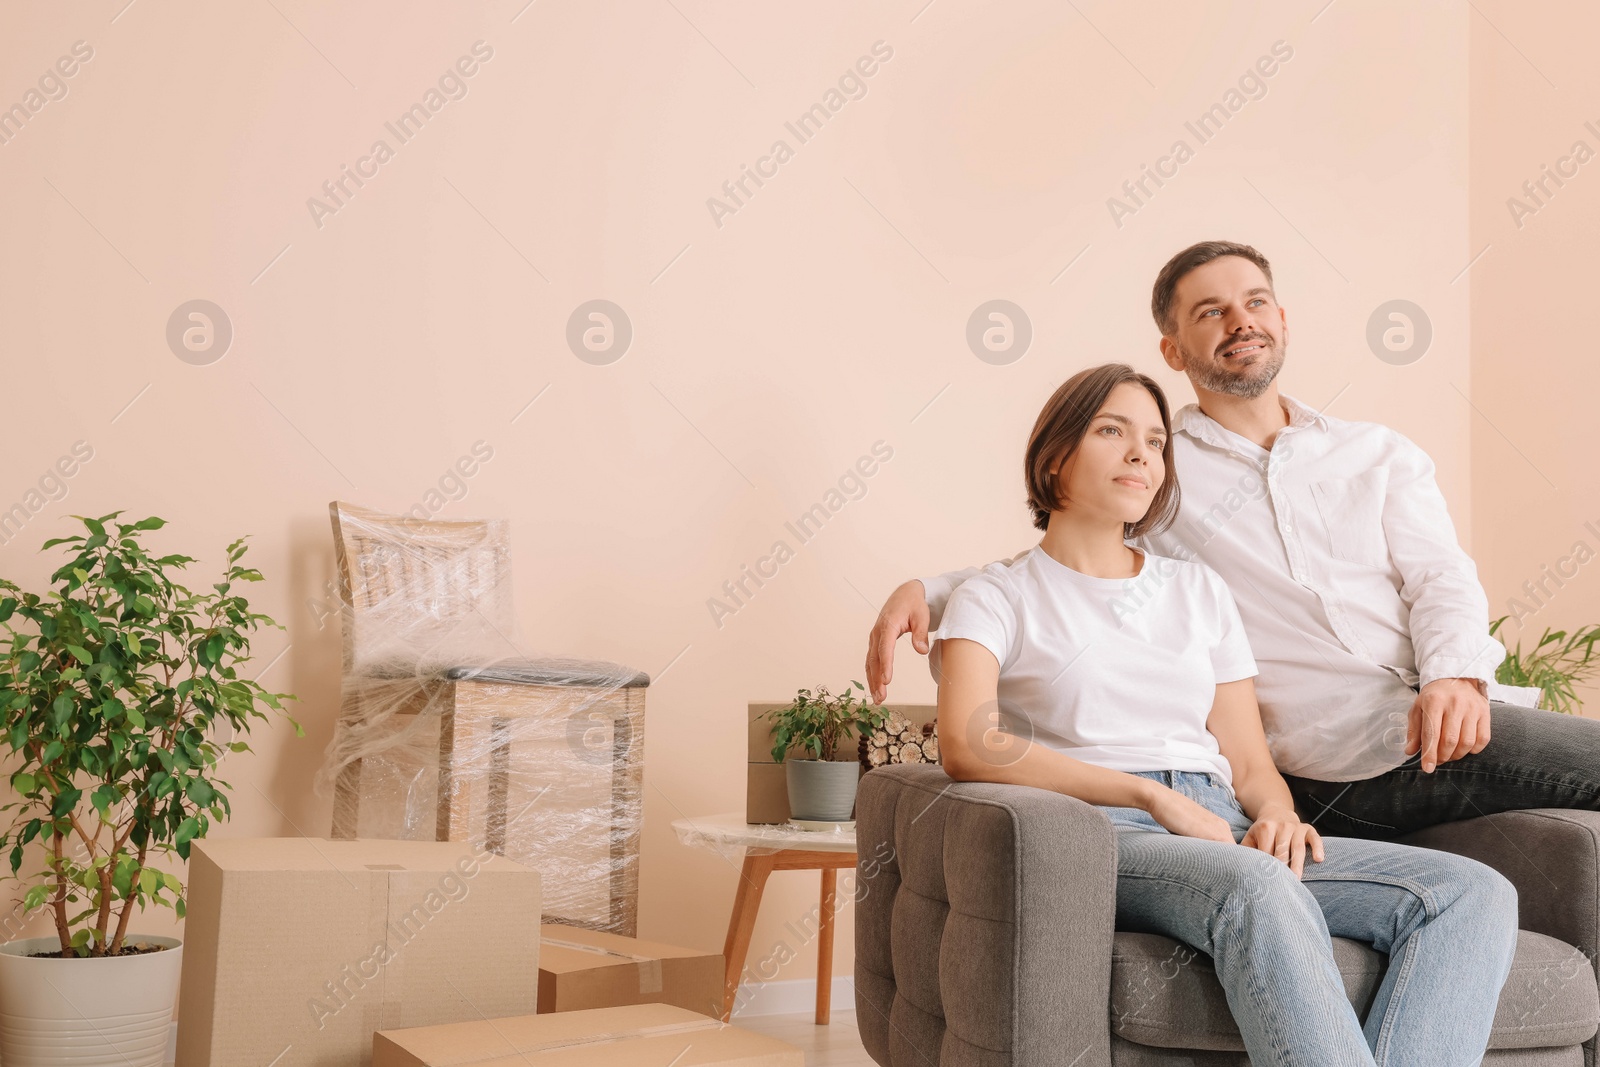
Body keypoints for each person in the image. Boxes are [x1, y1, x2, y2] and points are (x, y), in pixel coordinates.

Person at [872, 240, 1600, 839]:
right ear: (1174, 347)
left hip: (1452, 714)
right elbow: (1069, 551)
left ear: (1282, 318)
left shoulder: (1378, 453)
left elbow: (1440, 577)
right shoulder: (1160, 466)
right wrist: (931, 592)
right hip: (1337, 764)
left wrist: (1452, 674)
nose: (1240, 320)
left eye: (1254, 302)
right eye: (1210, 311)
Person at [933, 361, 1518, 1064]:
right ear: (1054, 457)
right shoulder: (996, 595)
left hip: (1223, 824)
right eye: (1111, 430)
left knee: (1469, 892)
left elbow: (1247, 760)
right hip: (1100, 831)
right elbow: (970, 744)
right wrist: (1148, 793)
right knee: (1257, 884)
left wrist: (1276, 811)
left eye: (1154, 439)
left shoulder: (1196, 589)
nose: (1140, 452)